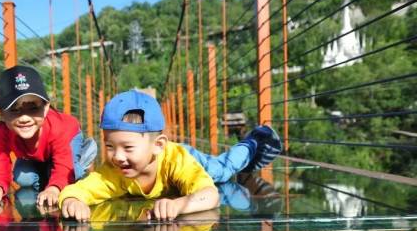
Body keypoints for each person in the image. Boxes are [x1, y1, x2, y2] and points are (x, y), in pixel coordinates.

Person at [59, 90, 281, 222]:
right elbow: (81, 189)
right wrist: (72, 201)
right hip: (166, 160)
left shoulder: (177, 160)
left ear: (157, 145)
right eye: (109, 146)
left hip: (186, 156)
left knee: (221, 171)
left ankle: (254, 141)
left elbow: (210, 195)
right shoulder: (114, 170)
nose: (117, 156)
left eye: (127, 148)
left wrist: (178, 205)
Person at [0, 65, 97, 208]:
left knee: (67, 172)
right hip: (37, 154)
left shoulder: (60, 128)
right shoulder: (1, 132)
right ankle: (48, 167)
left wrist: (54, 189)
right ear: (0, 113)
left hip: (68, 138)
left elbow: (63, 167)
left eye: (33, 108)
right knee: (23, 179)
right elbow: (0, 166)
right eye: (14, 110)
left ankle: (82, 157)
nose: (25, 118)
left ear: (46, 107)